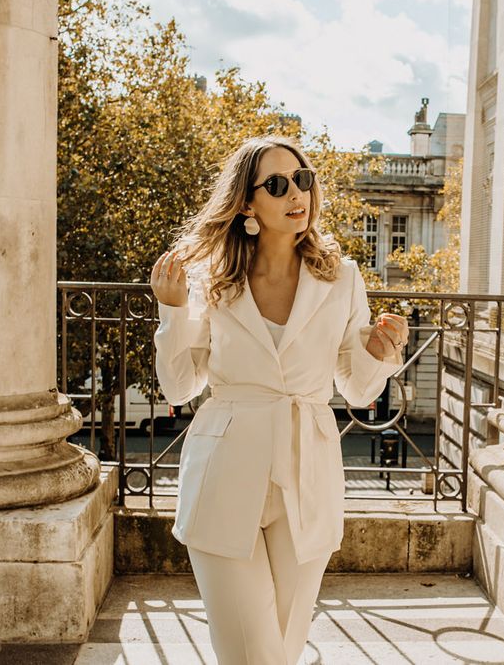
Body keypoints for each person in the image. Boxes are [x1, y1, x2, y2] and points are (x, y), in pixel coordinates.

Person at [150, 135, 409, 665]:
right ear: (247, 203)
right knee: (250, 654)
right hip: (224, 474)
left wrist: (382, 354)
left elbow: (358, 390)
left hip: (308, 477)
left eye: (303, 179)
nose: (298, 193)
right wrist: (173, 312)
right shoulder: (212, 280)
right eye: (277, 184)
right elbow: (179, 388)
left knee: (282, 650)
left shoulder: (342, 279)